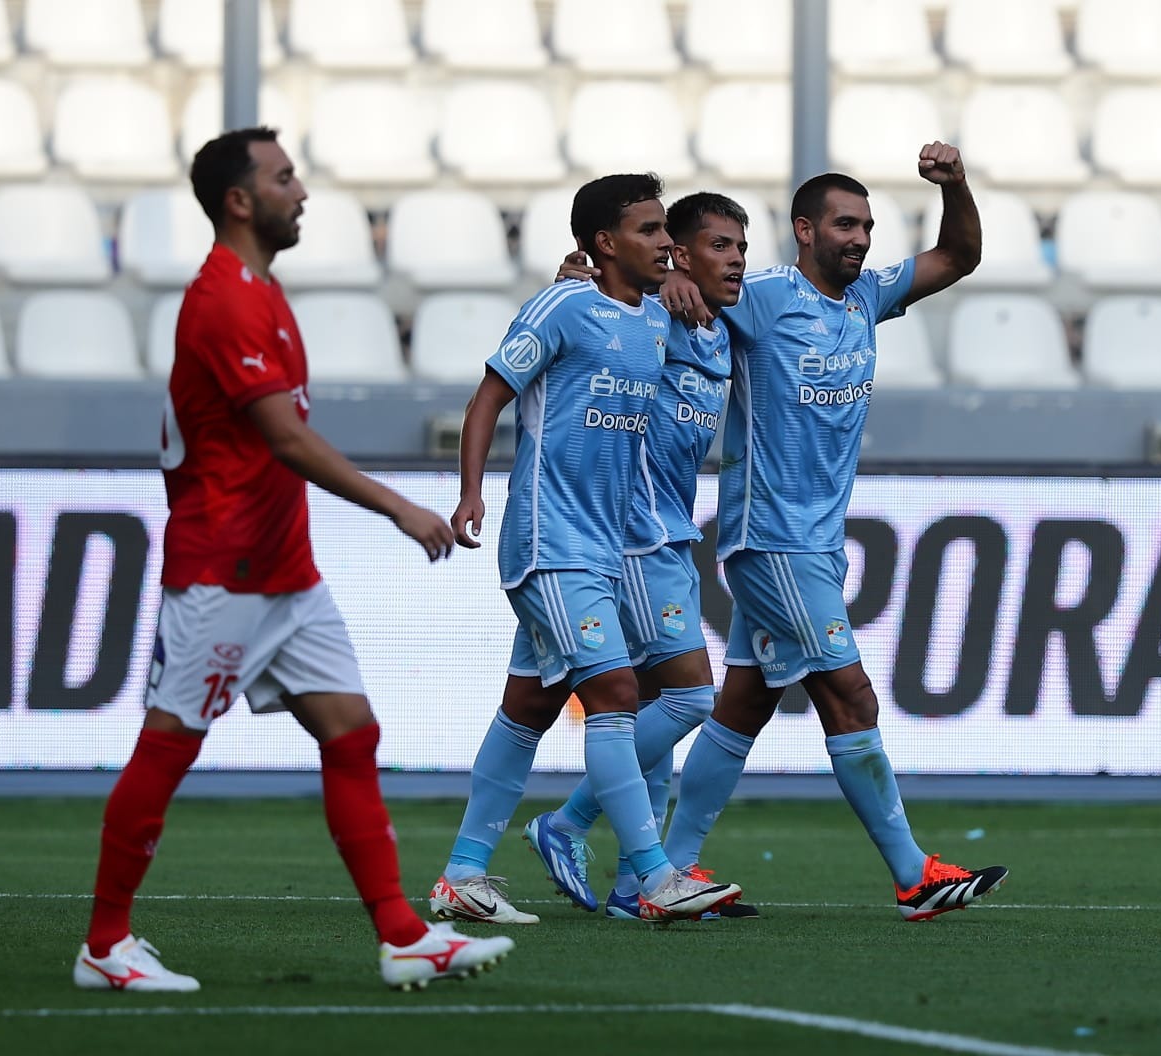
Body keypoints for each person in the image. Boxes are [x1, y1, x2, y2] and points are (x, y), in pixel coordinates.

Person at [73, 127, 512, 994]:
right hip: (224, 571)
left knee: (352, 731)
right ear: (239, 201)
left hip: (286, 572)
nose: (301, 190)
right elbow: (282, 437)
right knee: (168, 746)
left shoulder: (264, 293)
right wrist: (397, 506)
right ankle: (104, 944)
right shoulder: (224, 301)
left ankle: (402, 935)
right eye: (283, 178)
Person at [656, 145, 1010, 922]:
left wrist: (955, 185)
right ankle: (914, 874)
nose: (861, 239)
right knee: (849, 694)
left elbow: (960, 254)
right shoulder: (766, 293)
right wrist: (671, 275)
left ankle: (661, 868)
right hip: (771, 536)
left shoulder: (868, 298)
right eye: (846, 225)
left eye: (869, 227)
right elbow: (691, 287)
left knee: (742, 706)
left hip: (812, 542)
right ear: (805, 230)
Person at [427, 174, 741, 926]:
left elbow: (681, 315)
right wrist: (471, 492)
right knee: (619, 695)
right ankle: (653, 876)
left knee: (527, 708)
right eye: (649, 229)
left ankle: (463, 875)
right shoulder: (565, 305)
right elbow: (489, 395)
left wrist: (680, 294)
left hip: (602, 546)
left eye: (668, 229)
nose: (666, 242)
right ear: (604, 243)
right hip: (549, 539)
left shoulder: (654, 321)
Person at [522, 192, 759, 921]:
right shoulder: (657, 308)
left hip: (670, 532)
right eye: (718, 246)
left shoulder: (725, 323)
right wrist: (578, 275)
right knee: (687, 697)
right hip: (628, 533)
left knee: (659, 704)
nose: (738, 260)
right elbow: (604, 299)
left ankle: (636, 886)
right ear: (677, 256)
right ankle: (568, 824)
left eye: (742, 247)